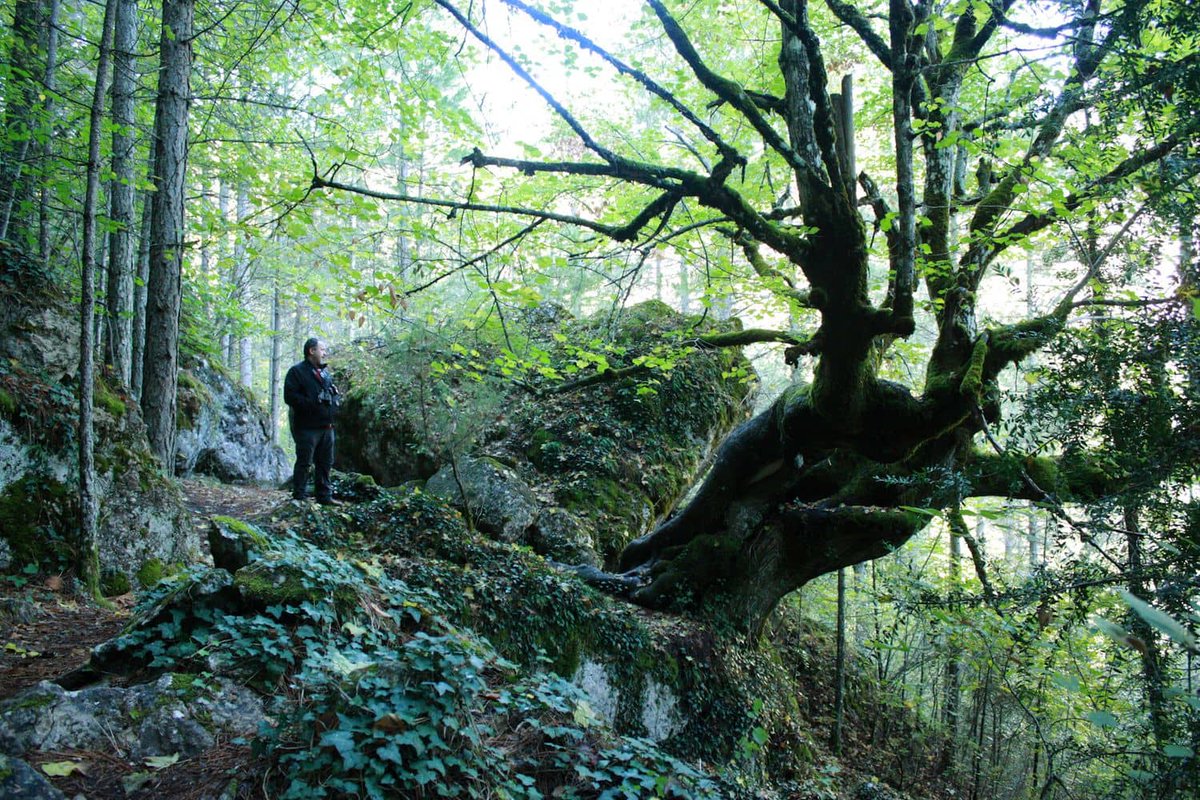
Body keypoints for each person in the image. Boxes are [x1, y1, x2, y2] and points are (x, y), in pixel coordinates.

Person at [284, 337, 341, 505]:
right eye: (322, 350)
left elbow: (330, 395)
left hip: (327, 427)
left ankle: (324, 496)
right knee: (304, 462)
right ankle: (299, 496)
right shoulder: (296, 372)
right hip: (307, 427)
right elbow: (290, 397)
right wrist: (313, 402)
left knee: (325, 463)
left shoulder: (325, 373)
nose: (325, 353)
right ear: (311, 351)